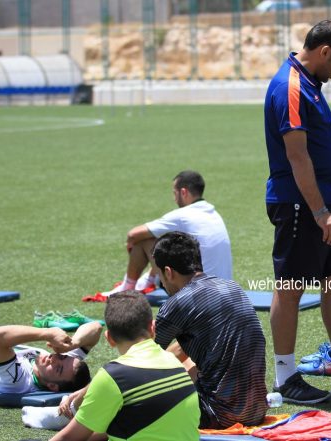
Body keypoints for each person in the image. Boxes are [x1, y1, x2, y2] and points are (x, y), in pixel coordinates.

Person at [263, 18, 331, 405]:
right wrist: (318, 210)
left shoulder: (308, 82)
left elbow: (308, 152)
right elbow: (295, 156)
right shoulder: (291, 86)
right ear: (325, 51)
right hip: (301, 204)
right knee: (290, 287)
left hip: (318, 200)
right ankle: (285, 377)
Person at [152, 231, 267, 429]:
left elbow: (142, 359)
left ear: (168, 272)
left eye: (159, 274)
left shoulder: (176, 304)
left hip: (217, 416)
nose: (161, 282)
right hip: (256, 410)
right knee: (193, 361)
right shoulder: (232, 287)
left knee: (144, 394)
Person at [51, 291, 199, 441]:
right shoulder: (176, 363)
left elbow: (69, 438)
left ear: (109, 338)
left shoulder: (114, 377)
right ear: (153, 328)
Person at [93, 170, 232, 299]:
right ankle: (147, 280)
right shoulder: (214, 213)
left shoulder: (182, 215)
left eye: (174, 193)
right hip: (224, 289)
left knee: (144, 240)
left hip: (197, 292)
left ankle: (127, 287)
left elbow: (133, 234)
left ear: (183, 192)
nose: (174, 198)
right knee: (171, 244)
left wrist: (130, 245)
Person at [0, 322, 99, 394]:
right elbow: (95, 327)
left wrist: (47, 334)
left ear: (52, 386)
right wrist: (73, 344)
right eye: (62, 357)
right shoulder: (65, 366)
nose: (53, 359)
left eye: (58, 369)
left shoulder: (18, 379)